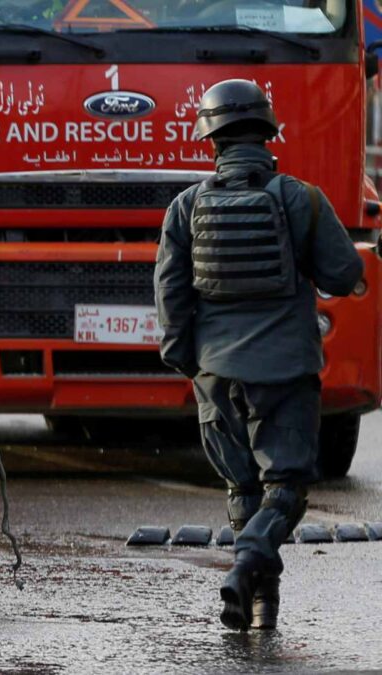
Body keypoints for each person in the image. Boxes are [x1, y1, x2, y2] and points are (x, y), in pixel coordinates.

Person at [154, 79, 363, 632]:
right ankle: (247, 566)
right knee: (286, 489)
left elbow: (171, 296)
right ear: (269, 131)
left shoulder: (185, 207)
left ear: (211, 138)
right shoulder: (300, 198)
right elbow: (344, 274)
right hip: (285, 371)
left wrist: (190, 362)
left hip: (215, 373)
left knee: (242, 488)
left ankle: (259, 605)